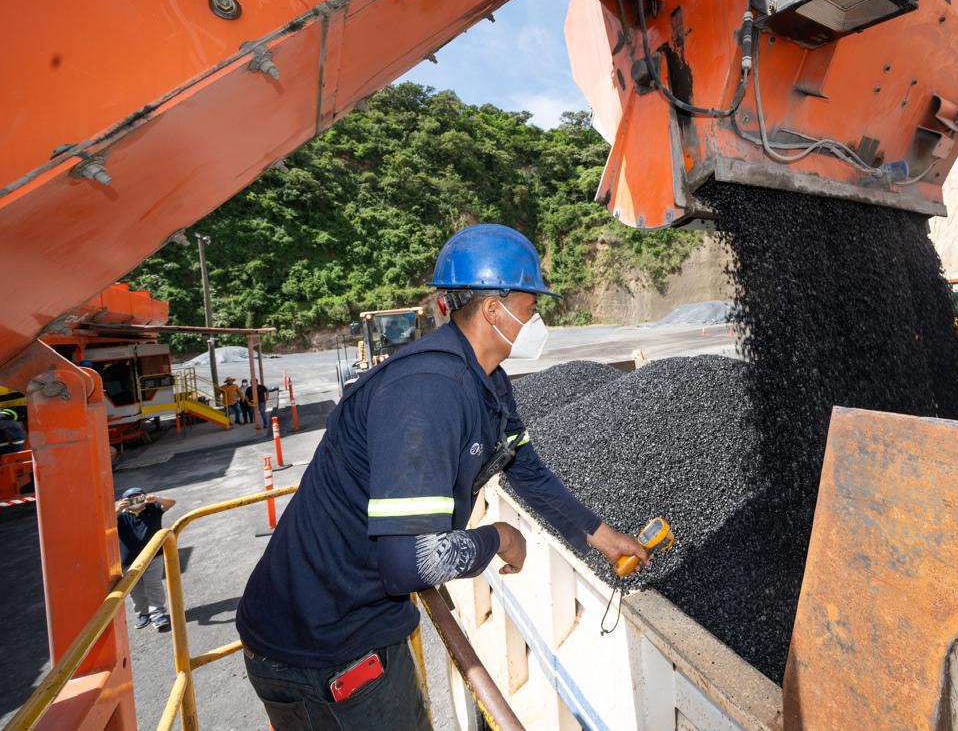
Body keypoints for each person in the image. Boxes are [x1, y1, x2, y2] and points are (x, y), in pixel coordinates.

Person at [236, 224, 650, 730]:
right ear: (494, 309)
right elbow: (410, 562)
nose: (535, 319)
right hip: (322, 649)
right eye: (530, 306)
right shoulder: (427, 392)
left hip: (349, 624)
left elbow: (526, 469)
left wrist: (601, 537)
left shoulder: (486, 383)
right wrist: (499, 537)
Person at [116, 486, 176, 630]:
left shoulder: (153, 508)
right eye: (130, 499)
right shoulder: (121, 516)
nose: (135, 501)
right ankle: (143, 613)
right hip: (129, 560)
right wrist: (117, 509)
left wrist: (157, 498)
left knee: (153, 584)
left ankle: (158, 613)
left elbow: (171, 503)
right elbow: (103, 523)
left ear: (145, 497)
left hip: (154, 556)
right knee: (135, 589)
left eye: (138, 497)